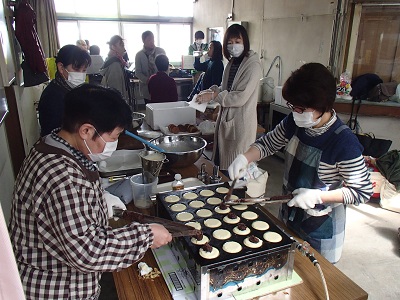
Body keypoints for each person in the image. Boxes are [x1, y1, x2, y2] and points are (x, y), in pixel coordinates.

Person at [8, 84, 172, 299]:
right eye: (113, 138)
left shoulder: (55, 143)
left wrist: (97, 199)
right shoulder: (61, 175)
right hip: (56, 289)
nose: (113, 144)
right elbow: (88, 252)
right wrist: (146, 235)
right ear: (86, 130)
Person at [228, 63, 373, 263]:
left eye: (301, 108)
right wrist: (245, 157)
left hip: (321, 227)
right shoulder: (295, 122)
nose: (296, 112)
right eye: (293, 106)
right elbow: (268, 143)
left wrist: (319, 196)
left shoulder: (344, 143)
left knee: (313, 280)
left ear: (324, 106)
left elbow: (361, 191)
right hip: (290, 214)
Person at [195, 24, 262, 172]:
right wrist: (210, 91)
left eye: (237, 41)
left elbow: (240, 97)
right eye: (230, 43)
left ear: (245, 41)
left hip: (240, 126)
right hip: (225, 123)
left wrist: (214, 95)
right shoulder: (232, 63)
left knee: (236, 171)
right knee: (221, 166)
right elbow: (225, 88)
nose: (234, 46)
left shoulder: (253, 66)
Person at [38, 44, 91, 136]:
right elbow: (54, 134)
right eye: (77, 69)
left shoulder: (73, 89)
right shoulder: (52, 97)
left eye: (84, 70)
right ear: (61, 68)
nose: (81, 75)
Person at [135, 31, 166, 104]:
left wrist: (163, 79)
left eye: (153, 39)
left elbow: (166, 67)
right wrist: (149, 81)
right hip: (147, 87)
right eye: (149, 40)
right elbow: (138, 72)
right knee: (149, 109)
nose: (152, 42)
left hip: (160, 85)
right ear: (143, 41)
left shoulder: (160, 51)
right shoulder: (139, 55)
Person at [100, 35, 130, 103]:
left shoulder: (110, 60)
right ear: (113, 47)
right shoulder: (114, 64)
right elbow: (116, 91)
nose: (124, 49)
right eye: (121, 45)